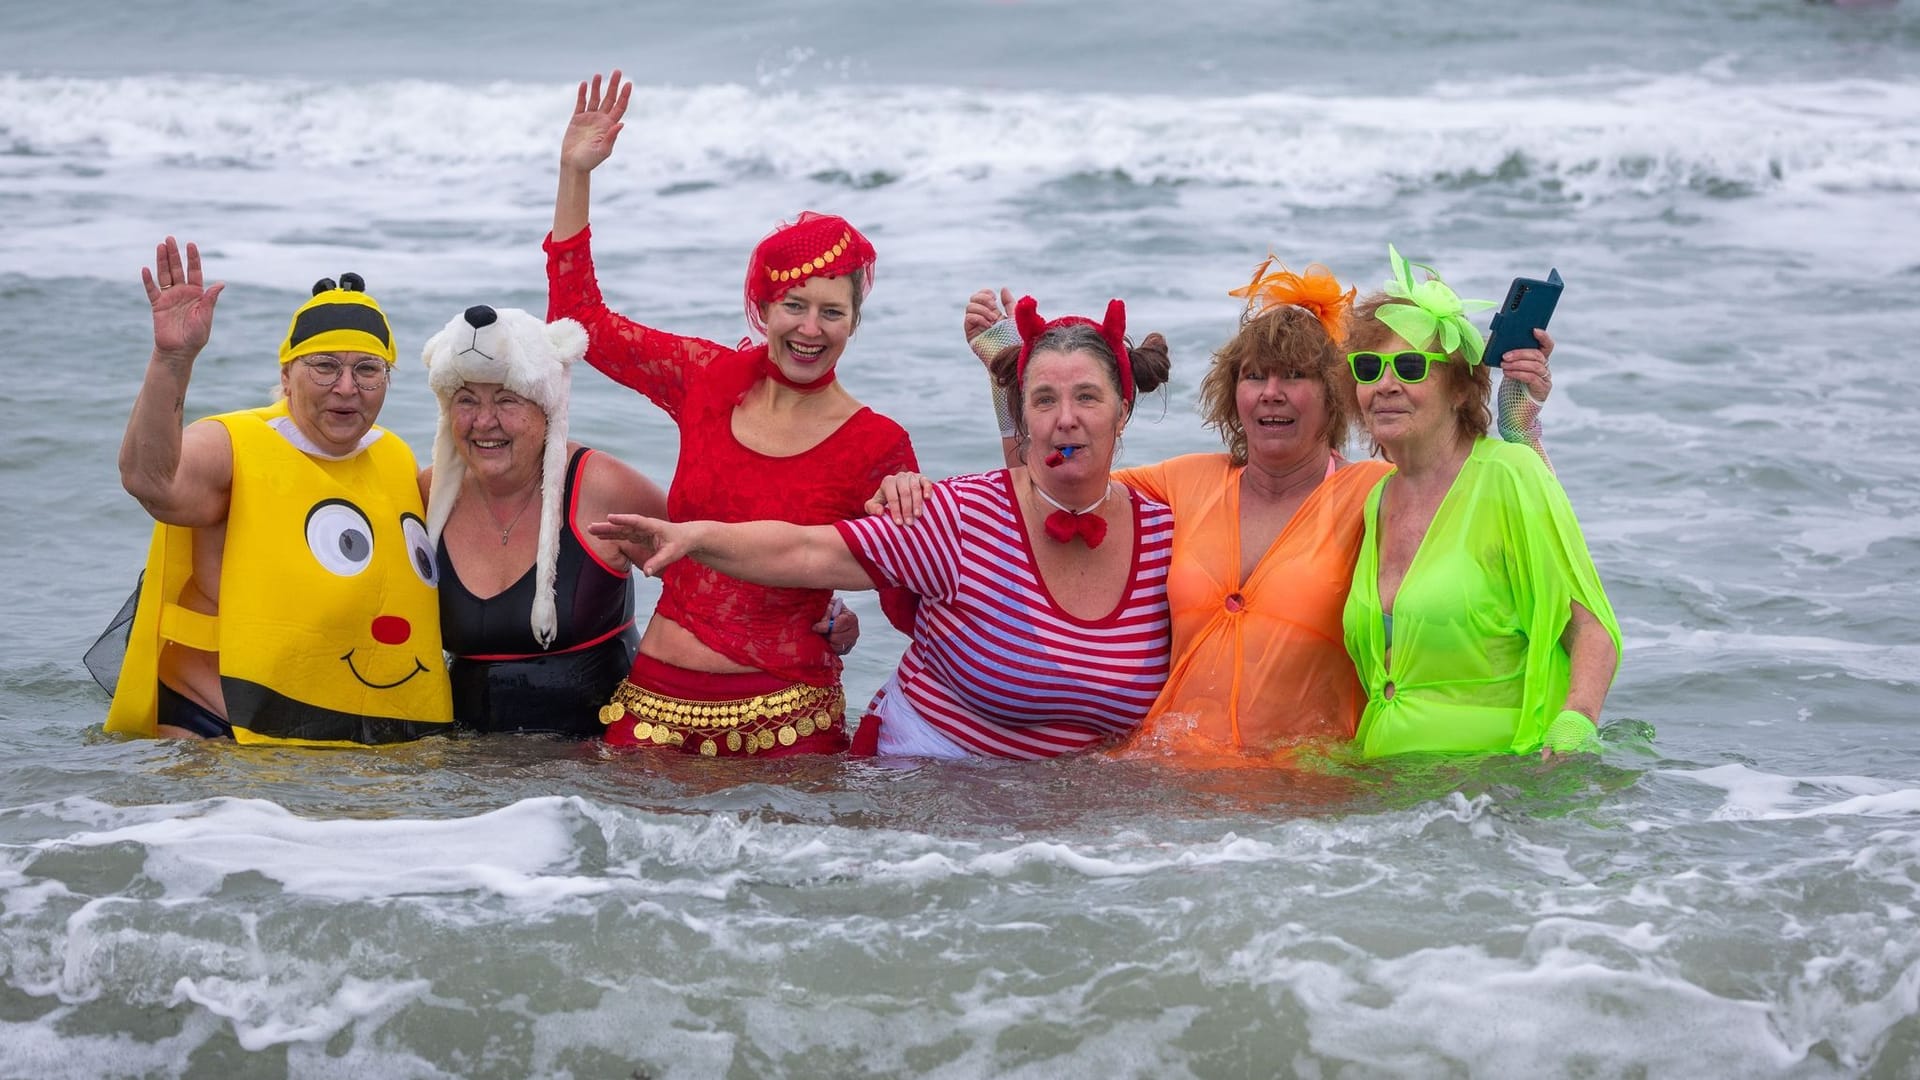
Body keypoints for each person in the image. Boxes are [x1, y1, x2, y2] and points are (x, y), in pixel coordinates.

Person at [876, 261, 1555, 759]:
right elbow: (1052, 478)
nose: (1271, 394)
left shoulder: (1374, 492)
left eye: (1295, 377)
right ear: (1231, 394)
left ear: (1338, 395)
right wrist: (1005, 376)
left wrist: (1520, 422)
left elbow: (1494, 505)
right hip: (1165, 779)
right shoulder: (1184, 482)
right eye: (1255, 377)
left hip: (1303, 796)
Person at [592, 298, 1176, 759]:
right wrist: (694, 537)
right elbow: (805, 550)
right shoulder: (957, 518)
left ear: (1122, 410)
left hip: (1072, 825)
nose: (1066, 417)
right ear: (1022, 414)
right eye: (1044, 399)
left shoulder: (1169, 535)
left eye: (1087, 398)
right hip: (922, 792)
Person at [545, 71, 916, 756]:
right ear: (764, 310)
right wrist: (575, 173)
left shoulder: (879, 444)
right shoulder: (706, 380)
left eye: (832, 312)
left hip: (792, 721)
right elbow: (578, 319)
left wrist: (876, 572)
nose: (811, 328)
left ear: (854, 322)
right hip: (654, 705)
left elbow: (908, 598)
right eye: (794, 307)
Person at [105, 238, 454, 745]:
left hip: (334, 737)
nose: (347, 387)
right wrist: (173, 359)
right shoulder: (234, 443)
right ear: (287, 376)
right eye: (325, 366)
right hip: (215, 729)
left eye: (367, 369)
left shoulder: (394, 456)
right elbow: (151, 481)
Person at [1340, 246, 1619, 758]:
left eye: (1410, 366)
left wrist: (1577, 722)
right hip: (1388, 796)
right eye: (1367, 367)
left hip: (1495, 797)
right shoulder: (1376, 496)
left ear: (1461, 390)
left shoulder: (1508, 475)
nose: (1385, 385)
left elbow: (1591, 629)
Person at [417, 304, 666, 736]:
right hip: (467, 767)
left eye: (507, 400)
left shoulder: (600, 487)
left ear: (547, 408)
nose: (484, 422)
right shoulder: (429, 495)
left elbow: (708, 583)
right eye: (466, 400)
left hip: (597, 766)